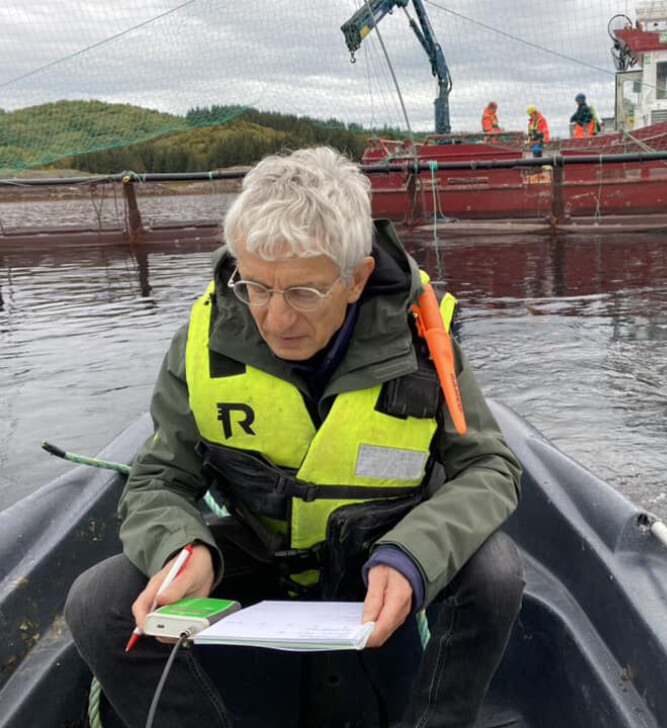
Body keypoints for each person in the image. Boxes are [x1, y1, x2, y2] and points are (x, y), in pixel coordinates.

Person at [64, 146, 525, 727]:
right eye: (256, 286)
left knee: (495, 573)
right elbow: (162, 476)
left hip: (377, 562)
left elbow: (489, 467)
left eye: (304, 292)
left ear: (356, 278)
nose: (276, 318)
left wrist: (413, 555)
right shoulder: (200, 344)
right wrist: (183, 550)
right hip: (257, 557)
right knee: (97, 601)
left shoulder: (424, 344)